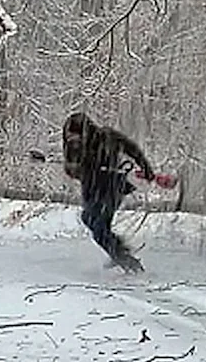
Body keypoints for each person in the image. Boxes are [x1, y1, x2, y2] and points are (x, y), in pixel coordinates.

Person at [61, 112, 156, 272]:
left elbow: (132, 149)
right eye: (70, 137)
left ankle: (126, 260)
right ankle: (119, 250)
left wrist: (146, 169)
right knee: (90, 220)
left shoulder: (106, 137)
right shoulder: (71, 146)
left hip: (111, 187)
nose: (73, 141)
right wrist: (78, 169)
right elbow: (72, 169)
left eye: (76, 137)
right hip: (91, 189)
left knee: (98, 227)